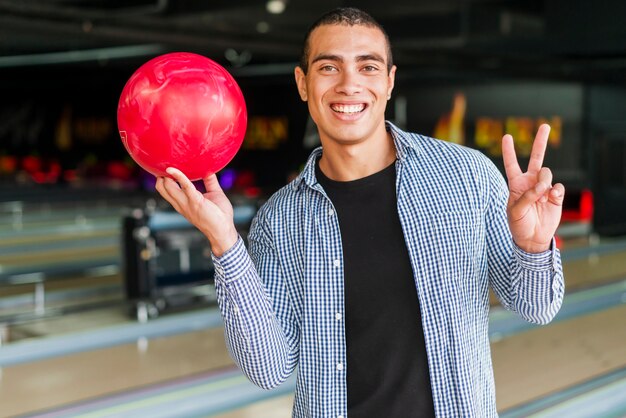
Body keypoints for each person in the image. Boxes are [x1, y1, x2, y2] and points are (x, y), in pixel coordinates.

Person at [155, 7, 565, 418]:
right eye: (329, 67)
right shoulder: (279, 221)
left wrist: (533, 246)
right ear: (303, 83)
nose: (349, 85)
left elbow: (535, 307)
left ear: (388, 82)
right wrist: (225, 242)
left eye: (367, 67)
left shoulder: (467, 177)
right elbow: (269, 369)